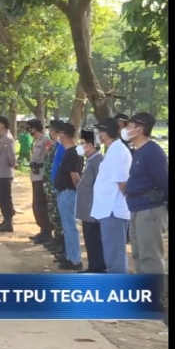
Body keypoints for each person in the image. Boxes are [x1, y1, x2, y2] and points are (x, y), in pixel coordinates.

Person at [123, 112, 168, 289]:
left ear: (139, 130)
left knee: (151, 257)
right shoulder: (138, 151)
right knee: (139, 255)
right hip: (136, 209)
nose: (125, 130)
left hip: (150, 210)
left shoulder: (153, 152)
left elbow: (165, 181)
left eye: (129, 127)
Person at [91, 117, 132, 274]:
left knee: (115, 256)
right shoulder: (113, 150)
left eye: (98, 132)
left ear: (104, 134)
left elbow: (122, 184)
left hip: (114, 210)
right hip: (108, 209)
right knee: (111, 252)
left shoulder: (117, 152)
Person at [52, 122, 83, 271]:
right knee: (67, 227)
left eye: (59, 134)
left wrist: (80, 194)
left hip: (68, 193)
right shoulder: (71, 151)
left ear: (62, 135)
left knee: (70, 228)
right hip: (63, 192)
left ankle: (75, 259)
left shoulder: (72, 152)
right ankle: (71, 257)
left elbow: (75, 176)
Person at [74, 129, 106, 273]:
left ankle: (98, 267)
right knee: (90, 240)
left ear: (91, 145)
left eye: (83, 143)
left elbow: (100, 187)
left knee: (94, 241)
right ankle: (93, 266)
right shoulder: (91, 160)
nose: (80, 146)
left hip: (93, 211)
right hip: (88, 211)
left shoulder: (98, 161)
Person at [26, 119, 53, 243]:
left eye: (30, 127)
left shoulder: (46, 140)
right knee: (36, 205)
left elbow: (49, 158)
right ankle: (43, 229)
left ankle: (47, 231)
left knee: (41, 204)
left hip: (42, 176)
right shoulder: (36, 140)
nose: (29, 130)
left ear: (35, 128)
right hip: (35, 176)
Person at [42, 120, 65, 254]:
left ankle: (61, 242)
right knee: (53, 215)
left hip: (55, 187)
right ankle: (57, 239)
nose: (50, 133)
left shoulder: (61, 147)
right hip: (49, 185)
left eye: (51, 130)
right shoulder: (54, 146)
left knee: (58, 215)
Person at [0, 116, 16, 232]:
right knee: (1, 197)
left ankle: (8, 221)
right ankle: (5, 220)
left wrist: (12, 165)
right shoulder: (2, 137)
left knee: (5, 197)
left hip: (5, 173)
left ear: (3, 125)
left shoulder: (7, 138)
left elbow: (11, 156)